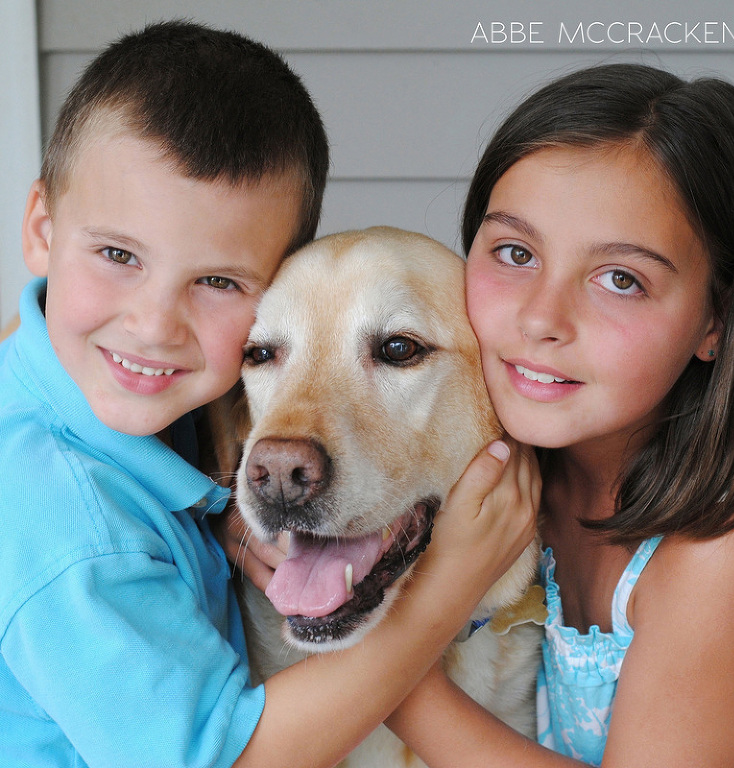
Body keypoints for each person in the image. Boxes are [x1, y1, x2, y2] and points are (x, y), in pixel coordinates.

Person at [0, 20, 539, 768]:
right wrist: (447, 588)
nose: (154, 326)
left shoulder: (157, 396)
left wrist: (220, 505)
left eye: (397, 350)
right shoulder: (69, 518)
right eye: (268, 352)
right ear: (42, 228)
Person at [384, 63, 734, 767]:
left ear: (717, 318)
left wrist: (381, 665)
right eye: (516, 252)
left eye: (621, 279)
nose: (541, 318)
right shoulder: (497, 481)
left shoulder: (729, 546)